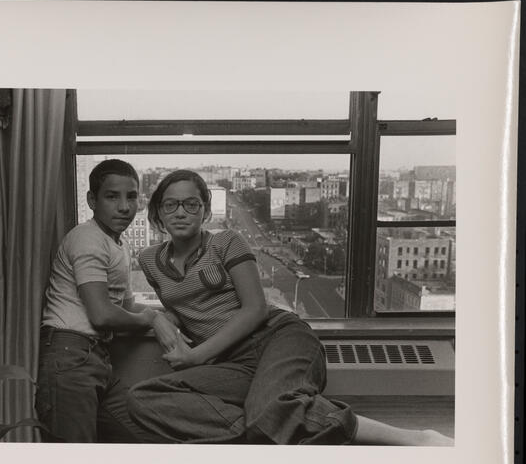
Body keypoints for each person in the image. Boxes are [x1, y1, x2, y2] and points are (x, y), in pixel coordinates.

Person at [127, 170, 454, 446]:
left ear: (205, 212)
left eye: (191, 204)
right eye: (170, 205)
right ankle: (260, 430)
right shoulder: (149, 261)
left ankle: (415, 439)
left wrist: (196, 356)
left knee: (271, 409)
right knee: (142, 398)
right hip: (231, 363)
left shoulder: (227, 241)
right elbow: (181, 305)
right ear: (158, 213)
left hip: (276, 338)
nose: (180, 212)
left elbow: (255, 309)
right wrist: (156, 318)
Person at [35, 159, 179, 442]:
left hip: (96, 357)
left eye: (131, 197)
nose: (124, 207)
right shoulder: (88, 238)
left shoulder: (119, 244)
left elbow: (126, 307)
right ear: (92, 200)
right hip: (70, 354)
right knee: (73, 459)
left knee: (139, 436)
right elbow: (101, 314)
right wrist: (151, 319)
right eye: (112, 197)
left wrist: (169, 316)